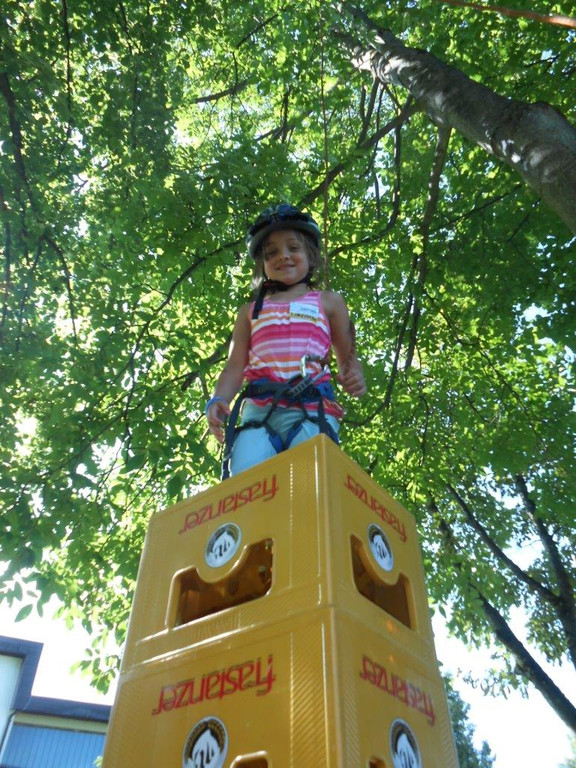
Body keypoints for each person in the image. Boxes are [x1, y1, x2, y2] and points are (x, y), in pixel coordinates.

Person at [205, 203, 366, 477]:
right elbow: (234, 366)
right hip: (259, 410)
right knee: (245, 476)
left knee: (311, 478)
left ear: (311, 256)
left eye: (293, 248)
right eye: (272, 253)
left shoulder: (328, 302)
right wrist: (219, 398)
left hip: (311, 406)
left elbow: (348, 357)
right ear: (263, 265)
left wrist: (355, 376)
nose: (283, 256)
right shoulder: (250, 312)